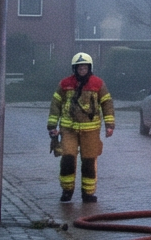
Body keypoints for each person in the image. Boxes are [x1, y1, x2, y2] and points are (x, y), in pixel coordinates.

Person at [48, 51, 116, 204]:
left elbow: (107, 103)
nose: (82, 69)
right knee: (67, 160)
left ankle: (88, 194)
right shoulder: (65, 84)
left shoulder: (98, 84)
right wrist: (52, 125)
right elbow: (56, 104)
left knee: (89, 162)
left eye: (84, 67)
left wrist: (109, 125)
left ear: (89, 67)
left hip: (90, 130)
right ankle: (67, 191)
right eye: (79, 67)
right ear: (75, 68)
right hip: (68, 130)